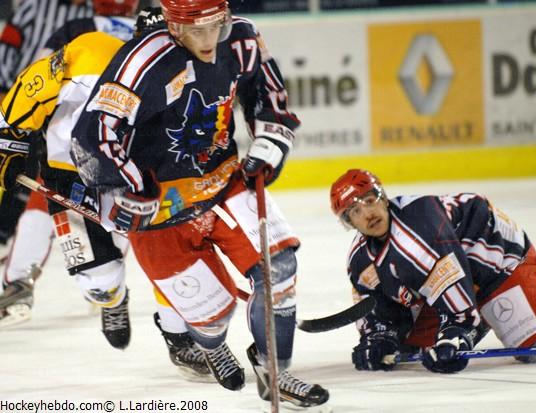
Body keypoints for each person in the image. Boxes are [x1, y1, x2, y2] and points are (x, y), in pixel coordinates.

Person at [72, 0, 330, 408]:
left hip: (223, 180)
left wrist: (271, 138)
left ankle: (274, 371)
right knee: (212, 316)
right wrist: (130, 186)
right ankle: (211, 342)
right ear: (174, 26)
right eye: (196, 30)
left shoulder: (241, 39)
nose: (209, 39)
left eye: (215, 26)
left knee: (279, 269)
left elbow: (268, 93)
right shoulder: (143, 61)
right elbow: (93, 135)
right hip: (162, 208)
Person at [0, 4, 213, 380]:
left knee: (171, 255)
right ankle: (113, 297)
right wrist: (10, 139)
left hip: (138, 177)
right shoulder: (91, 51)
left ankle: (180, 338)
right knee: (100, 283)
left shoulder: (187, 75)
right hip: (69, 172)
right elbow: (32, 85)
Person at [330, 168, 536, 374]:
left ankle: (480, 314)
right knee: (406, 349)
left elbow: (456, 302)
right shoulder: (360, 260)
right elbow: (375, 306)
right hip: (451, 281)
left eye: (369, 201)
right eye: (355, 211)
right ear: (350, 223)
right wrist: (379, 336)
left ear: (384, 198)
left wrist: (456, 333)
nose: (368, 214)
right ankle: (477, 316)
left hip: (500, 267)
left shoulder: (421, 228)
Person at [0, 0, 93, 249]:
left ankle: (9, 235)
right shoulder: (37, 5)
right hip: (18, 99)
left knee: (28, 172)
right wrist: (3, 88)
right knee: (6, 159)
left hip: (56, 110)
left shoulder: (90, 13)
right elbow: (9, 42)